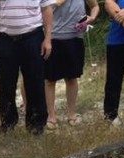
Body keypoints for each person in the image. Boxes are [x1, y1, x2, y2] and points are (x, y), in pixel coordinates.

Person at [0, 0, 55, 134]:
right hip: (6, 40)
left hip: (33, 37)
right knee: (5, 83)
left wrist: (48, 39)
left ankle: (36, 124)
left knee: (35, 82)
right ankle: (7, 123)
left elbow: (47, 10)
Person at [44, 0, 100, 128]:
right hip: (52, 38)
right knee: (49, 80)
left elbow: (95, 6)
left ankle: (72, 115)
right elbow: (42, 11)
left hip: (75, 38)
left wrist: (91, 18)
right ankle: (51, 116)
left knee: (71, 78)